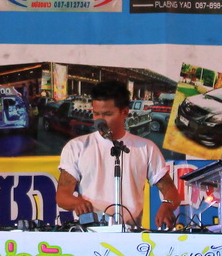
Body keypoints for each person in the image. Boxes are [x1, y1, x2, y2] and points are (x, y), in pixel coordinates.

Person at [56, 80, 181, 229]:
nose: (100, 120)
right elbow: (62, 196)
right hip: (90, 231)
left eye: (107, 114)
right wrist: (77, 202)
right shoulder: (77, 146)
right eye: (96, 114)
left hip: (131, 231)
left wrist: (167, 205)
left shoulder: (146, 147)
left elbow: (171, 191)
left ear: (125, 112)